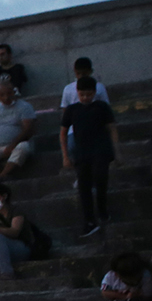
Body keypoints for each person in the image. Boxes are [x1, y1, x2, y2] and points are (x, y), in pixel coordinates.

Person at [59, 76, 117, 237]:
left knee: (100, 179)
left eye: (89, 94)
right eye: (82, 94)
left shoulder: (101, 107)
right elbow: (63, 133)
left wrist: (117, 152)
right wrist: (65, 156)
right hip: (82, 153)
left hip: (101, 150)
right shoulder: (72, 109)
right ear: (77, 92)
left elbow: (112, 129)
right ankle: (89, 220)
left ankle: (102, 209)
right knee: (84, 187)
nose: (85, 98)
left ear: (94, 93)